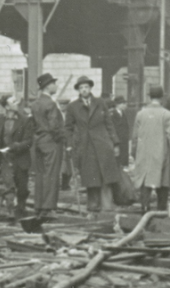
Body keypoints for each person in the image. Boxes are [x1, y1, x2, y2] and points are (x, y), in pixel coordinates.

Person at [64, 76, 121, 212]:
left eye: (86, 87)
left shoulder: (100, 103)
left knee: (106, 175)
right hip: (86, 145)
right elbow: (68, 128)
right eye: (81, 88)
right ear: (78, 90)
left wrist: (115, 143)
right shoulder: (73, 107)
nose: (84, 90)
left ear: (90, 88)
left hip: (103, 144)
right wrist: (69, 144)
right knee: (91, 177)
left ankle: (107, 206)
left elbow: (109, 123)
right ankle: (93, 205)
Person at [131, 86, 170, 213]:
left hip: (144, 153)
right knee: (163, 180)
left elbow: (135, 136)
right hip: (161, 152)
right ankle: (161, 209)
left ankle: (144, 207)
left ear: (149, 97)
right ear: (162, 97)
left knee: (145, 179)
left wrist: (134, 152)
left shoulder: (140, 114)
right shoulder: (167, 114)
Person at [30, 73, 65, 218]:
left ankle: (38, 205)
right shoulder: (50, 103)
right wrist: (61, 138)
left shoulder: (35, 103)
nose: (56, 86)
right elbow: (54, 126)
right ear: (48, 86)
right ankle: (48, 207)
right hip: (51, 141)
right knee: (51, 174)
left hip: (38, 141)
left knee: (40, 174)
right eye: (54, 83)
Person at [0, 99, 33, 219]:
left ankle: (21, 207)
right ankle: (10, 210)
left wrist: (16, 146)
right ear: (7, 106)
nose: (15, 106)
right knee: (9, 185)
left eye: (17, 104)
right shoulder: (0, 119)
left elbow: (29, 141)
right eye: (12, 103)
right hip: (6, 158)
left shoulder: (25, 120)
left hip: (21, 158)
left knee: (22, 187)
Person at [109, 95, 131, 167]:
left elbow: (126, 126)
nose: (125, 105)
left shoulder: (124, 113)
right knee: (117, 158)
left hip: (124, 139)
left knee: (124, 156)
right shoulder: (112, 114)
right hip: (117, 140)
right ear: (117, 104)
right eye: (123, 103)